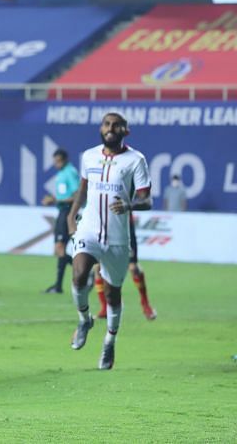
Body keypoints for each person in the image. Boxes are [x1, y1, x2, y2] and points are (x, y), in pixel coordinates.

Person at [67, 113, 152, 370]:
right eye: (106, 124)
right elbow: (83, 189)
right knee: (80, 275)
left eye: (116, 125)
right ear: (101, 129)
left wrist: (129, 204)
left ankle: (109, 342)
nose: (110, 128)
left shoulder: (136, 160)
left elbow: (146, 199)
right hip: (89, 230)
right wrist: (71, 217)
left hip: (117, 237)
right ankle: (84, 320)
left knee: (114, 294)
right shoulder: (88, 156)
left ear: (126, 130)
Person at [93, 214, 157, 320]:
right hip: (105, 230)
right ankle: (104, 308)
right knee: (97, 268)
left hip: (125, 230)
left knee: (133, 268)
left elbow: (143, 201)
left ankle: (145, 305)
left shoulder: (124, 198)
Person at [42, 148, 79, 294]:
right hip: (62, 211)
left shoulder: (70, 173)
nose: (55, 164)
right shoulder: (62, 173)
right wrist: (55, 200)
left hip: (68, 212)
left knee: (60, 248)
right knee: (58, 249)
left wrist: (55, 200)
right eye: (54, 162)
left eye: (57, 161)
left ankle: (85, 271)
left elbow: (77, 196)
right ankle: (58, 285)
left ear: (64, 159)